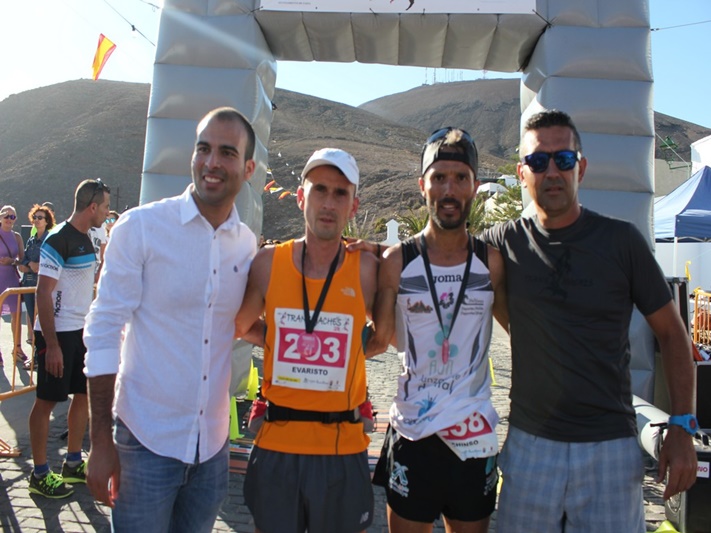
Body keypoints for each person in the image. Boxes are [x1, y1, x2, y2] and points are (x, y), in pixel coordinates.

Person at [484, 109, 698, 532]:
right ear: (522, 173)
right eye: (538, 161)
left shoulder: (622, 242)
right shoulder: (503, 242)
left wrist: (682, 427)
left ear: (580, 168)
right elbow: (440, 255)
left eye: (563, 159)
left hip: (609, 450)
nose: (552, 171)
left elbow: (674, 335)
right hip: (531, 447)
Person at [83, 107, 258, 532]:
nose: (212, 162)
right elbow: (103, 331)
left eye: (227, 152)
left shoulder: (246, 245)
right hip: (144, 444)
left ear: (249, 168)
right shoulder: (141, 227)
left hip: (212, 450)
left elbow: (244, 324)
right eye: (203, 149)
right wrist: (101, 440)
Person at [366, 128, 507, 533]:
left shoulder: (491, 262)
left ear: (475, 186)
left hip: (472, 433)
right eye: (439, 177)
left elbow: (525, 335)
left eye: (461, 178)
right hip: (414, 434)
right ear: (422, 185)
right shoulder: (397, 261)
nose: (449, 189)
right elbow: (379, 339)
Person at [234, 147, 378, 533]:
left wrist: (349, 351)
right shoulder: (268, 263)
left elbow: (386, 337)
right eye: (319, 190)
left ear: (353, 205)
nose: (328, 203)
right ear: (301, 197)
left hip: (342, 446)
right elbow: (239, 325)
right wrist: (278, 339)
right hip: (277, 444)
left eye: (340, 193)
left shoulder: (367, 268)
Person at [27, 179, 110, 498]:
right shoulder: (58, 238)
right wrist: (52, 346)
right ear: (92, 207)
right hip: (57, 333)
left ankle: (73, 462)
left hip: (80, 331)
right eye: (105, 206)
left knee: (83, 394)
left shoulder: (88, 236)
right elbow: (43, 292)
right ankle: (39, 473)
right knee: (46, 401)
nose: (107, 212)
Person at [18, 204, 56, 367]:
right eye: (35, 217)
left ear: (47, 221)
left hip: (42, 285)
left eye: (40, 218)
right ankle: (36, 355)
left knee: (42, 321)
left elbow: (51, 262)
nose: (37, 220)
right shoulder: (31, 240)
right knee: (32, 321)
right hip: (28, 283)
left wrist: (37, 266)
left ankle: (42, 356)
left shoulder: (51, 240)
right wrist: (29, 265)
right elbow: (25, 260)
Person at [0, 205, 26, 366]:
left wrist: (12, 261)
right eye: (6, 216)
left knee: (16, 316)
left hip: (12, 279)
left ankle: (17, 349)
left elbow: (22, 260)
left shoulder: (17, 237)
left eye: (12, 217)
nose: (9, 219)